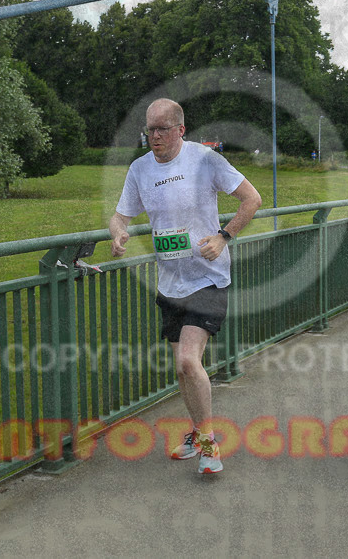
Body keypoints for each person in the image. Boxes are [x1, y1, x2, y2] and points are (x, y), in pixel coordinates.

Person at [109, 98, 262, 475]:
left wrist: (224, 236)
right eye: (149, 129)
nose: (154, 136)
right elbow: (120, 214)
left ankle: (210, 444)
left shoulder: (205, 160)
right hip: (170, 282)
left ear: (180, 129)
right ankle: (197, 434)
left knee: (187, 361)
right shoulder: (140, 169)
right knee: (183, 370)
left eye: (162, 128)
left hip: (208, 277)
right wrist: (118, 233)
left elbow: (251, 198)